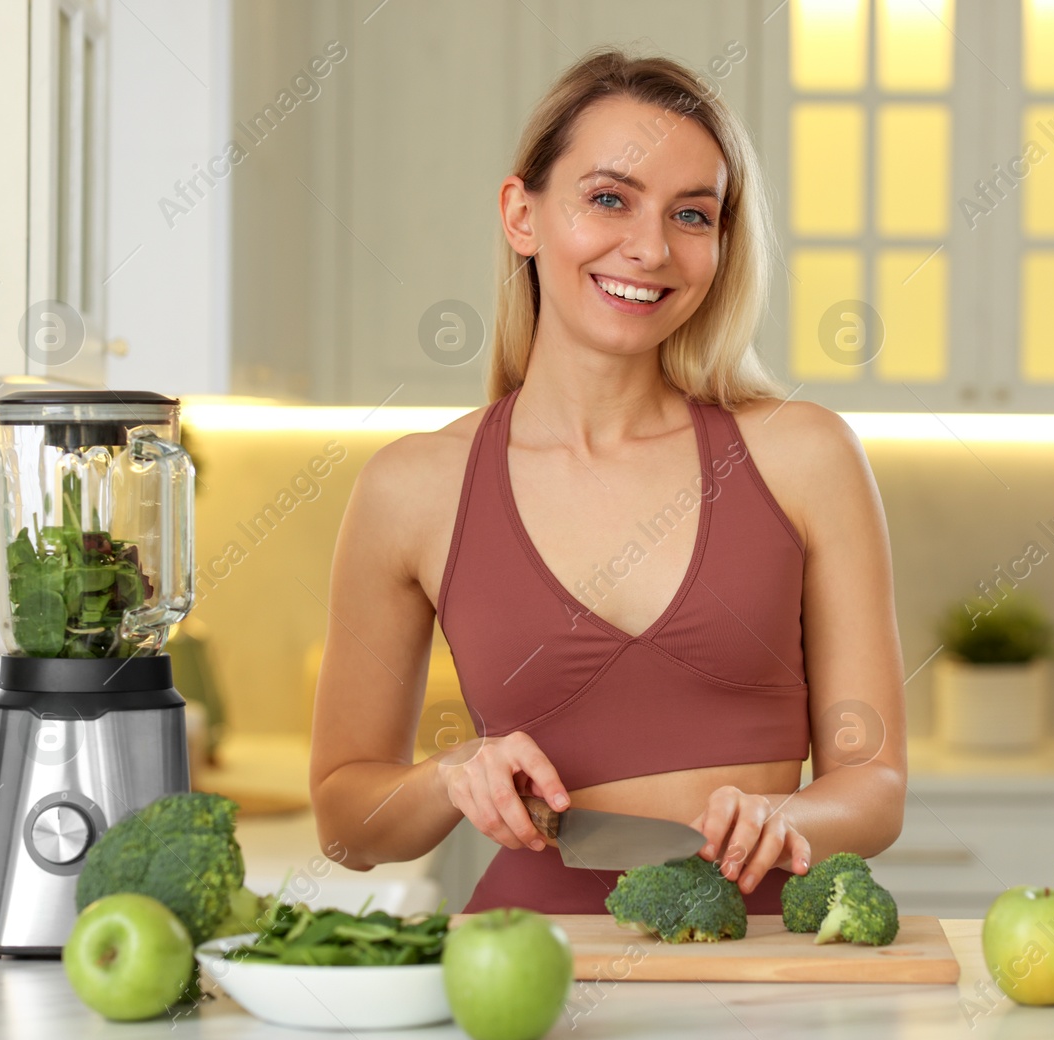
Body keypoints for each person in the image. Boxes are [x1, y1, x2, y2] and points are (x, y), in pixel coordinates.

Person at [310, 47, 906, 914]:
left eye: (692, 215)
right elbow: (344, 827)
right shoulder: (413, 489)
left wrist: (785, 816)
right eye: (608, 199)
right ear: (523, 214)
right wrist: (450, 774)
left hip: (763, 975)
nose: (651, 247)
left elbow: (877, 783)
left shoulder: (804, 457)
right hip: (526, 975)